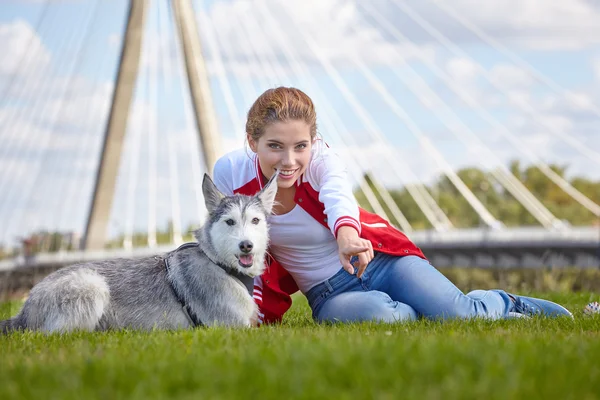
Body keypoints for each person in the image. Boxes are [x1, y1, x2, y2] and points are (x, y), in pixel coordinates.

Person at [212, 86, 573, 325]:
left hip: (382, 262)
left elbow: (339, 198)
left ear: (314, 142)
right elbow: (233, 245)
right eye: (275, 146)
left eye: (300, 146)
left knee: (462, 313)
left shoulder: (323, 161)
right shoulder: (231, 174)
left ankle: (504, 303)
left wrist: (348, 235)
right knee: (386, 319)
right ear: (252, 141)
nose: (289, 160)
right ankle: (432, 311)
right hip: (328, 293)